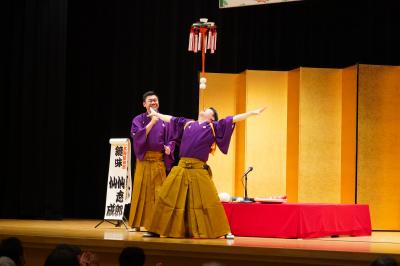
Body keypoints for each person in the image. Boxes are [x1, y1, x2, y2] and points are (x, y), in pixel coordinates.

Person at [144, 106, 265, 238]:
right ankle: (155, 229)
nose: (204, 108)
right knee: (166, 197)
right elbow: (171, 119)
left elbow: (233, 119)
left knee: (210, 201)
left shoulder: (213, 127)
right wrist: (156, 113)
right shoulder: (188, 123)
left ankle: (223, 231)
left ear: (211, 117)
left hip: (199, 169)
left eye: (208, 109)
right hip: (181, 167)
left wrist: (252, 113)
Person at [128, 91, 176, 231]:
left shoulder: (165, 120)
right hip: (143, 160)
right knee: (140, 192)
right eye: (150, 101)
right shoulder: (138, 119)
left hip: (158, 161)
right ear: (144, 104)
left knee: (159, 193)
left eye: (155, 100)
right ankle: (136, 224)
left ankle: (157, 224)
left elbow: (172, 138)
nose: (154, 102)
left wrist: (169, 147)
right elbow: (137, 137)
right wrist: (152, 122)